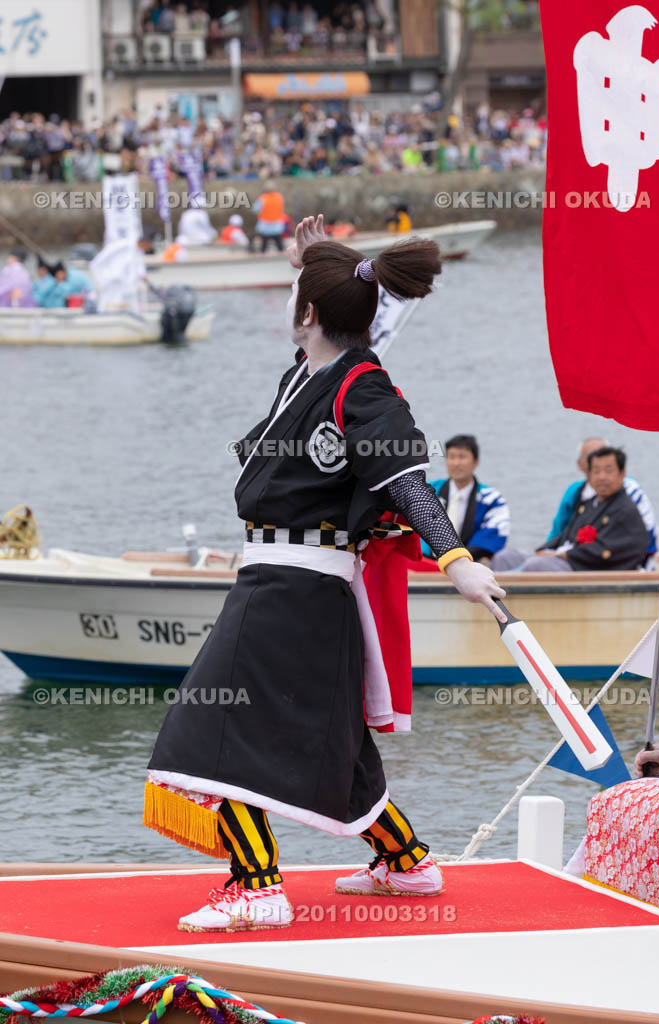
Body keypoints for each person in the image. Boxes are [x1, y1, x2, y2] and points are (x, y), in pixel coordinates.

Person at [144, 214, 506, 932]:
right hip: (283, 582)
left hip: (295, 589)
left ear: (308, 313)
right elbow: (334, 335)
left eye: (297, 298)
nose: (290, 306)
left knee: (210, 728)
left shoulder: (361, 388)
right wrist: (317, 268)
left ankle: (256, 885)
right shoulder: (313, 374)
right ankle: (406, 862)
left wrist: (456, 559)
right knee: (337, 740)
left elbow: (407, 484)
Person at [492, 446, 649, 573]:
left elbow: (607, 550)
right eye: (596, 471)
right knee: (505, 557)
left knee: (536, 566)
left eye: (608, 471)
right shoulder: (587, 504)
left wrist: (562, 555)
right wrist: (544, 550)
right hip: (563, 557)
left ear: (622, 474)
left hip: (583, 567)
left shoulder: (625, 510)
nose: (601, 477)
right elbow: (565, 536)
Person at [548, 437, 658, 562]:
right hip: (577, 555)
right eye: (594, 461)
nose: (602, 476)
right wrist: (548, 552)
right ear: (581, 465)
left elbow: (645, 532)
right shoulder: (576, 492)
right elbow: (560, 530)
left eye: (608, 467)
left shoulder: (630, 490)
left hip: (610, 559)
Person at [422, 435, 510, 564]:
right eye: (451, 457)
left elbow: (492, 536)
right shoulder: (429, 491)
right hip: (427, 563)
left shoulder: (492, 499)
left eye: (462, 457)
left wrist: (455, 560)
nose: (456, 463)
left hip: (471, 562)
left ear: (476, 462)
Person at [253, 180, 287, 252]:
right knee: (279, 243)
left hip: (265, 226)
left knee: (264, 244)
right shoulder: (279, 197)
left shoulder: (262, 198)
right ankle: (282, 254)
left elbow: (255, 209)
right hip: (277, 225)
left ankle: (262, 255)